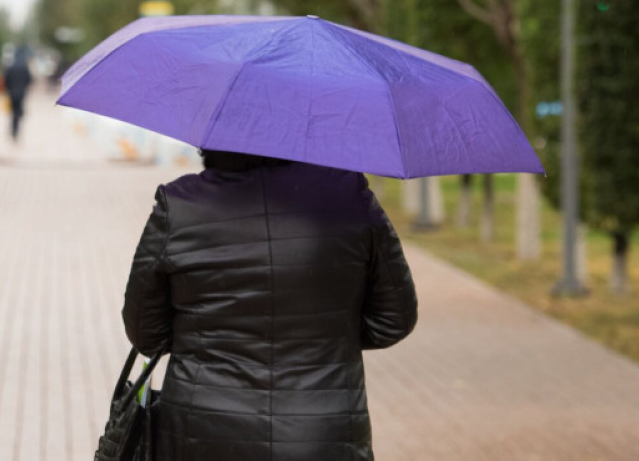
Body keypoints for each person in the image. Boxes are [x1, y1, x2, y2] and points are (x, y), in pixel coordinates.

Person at [123, 149, 418, 461]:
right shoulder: (349, 197)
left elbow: (146, 335)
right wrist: (327, 338)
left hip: (199, 433)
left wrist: (201, 340)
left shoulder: (178, 205)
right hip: (322, 436)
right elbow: (394, 320)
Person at [2, 48, 33, 140]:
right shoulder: (24, 67)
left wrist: (8, 89)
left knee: (14, 111)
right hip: (21, 92)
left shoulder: (10, 67)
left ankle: (14, 128)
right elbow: (29, 79)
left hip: (12, 92)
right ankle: (16, 126)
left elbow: (6, 80)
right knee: (18, 110)